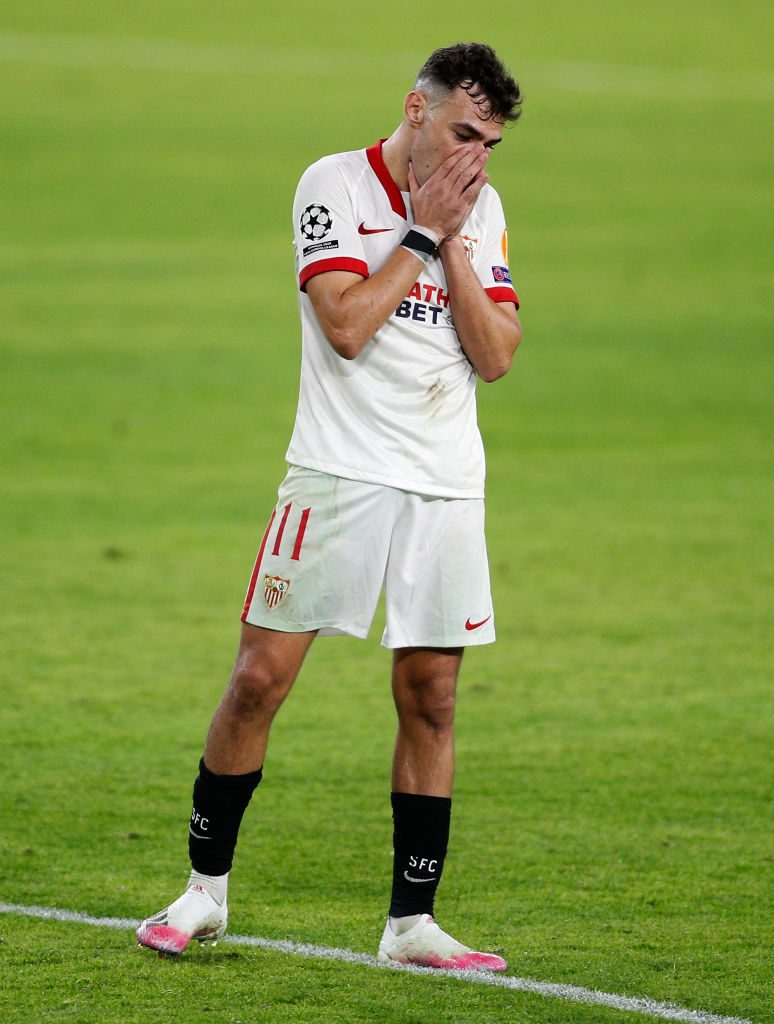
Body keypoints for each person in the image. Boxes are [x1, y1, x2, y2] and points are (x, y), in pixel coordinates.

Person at [137, 41, 522, 971]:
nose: (476, 158)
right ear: (417, 110)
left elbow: (499, 353)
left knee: (432, 696)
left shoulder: (484, 207)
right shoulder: (334, 185)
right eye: (466, 132)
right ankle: (202, 895)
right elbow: (345, 326)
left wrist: (458, 246)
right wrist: (423, 236)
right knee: (259, 679)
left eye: (493, 145)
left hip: (443, 482)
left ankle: (411, 926)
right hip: (337, 472)